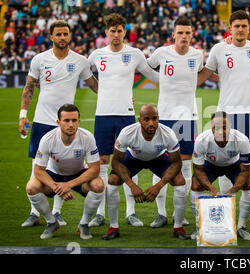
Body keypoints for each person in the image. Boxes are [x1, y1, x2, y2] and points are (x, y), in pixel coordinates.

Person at [197, 10, 250, 227]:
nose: (240, 29)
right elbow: (205, 74)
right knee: (225, 159)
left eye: (244, 26)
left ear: (249, 28)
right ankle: (227, 206)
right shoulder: (219, 49)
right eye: (237, 26)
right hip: (226, 114)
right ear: (230, 28)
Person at [19, 20, 98, 228]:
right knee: (37, 166)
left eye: (66, 34)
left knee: (64, 166)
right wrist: (22, 115)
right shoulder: (39, 59)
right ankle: (34, 212)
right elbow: (29, 87)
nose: (62, 37)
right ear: (51, 36)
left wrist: (121, 97)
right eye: (58, 34)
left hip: (66, 121)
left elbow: (94, 85)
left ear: (70, 36)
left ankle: (57, 212)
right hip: (42, 120)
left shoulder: (80, 61)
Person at [87, 13, 159, 228]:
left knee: (128, 163)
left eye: (119, 31)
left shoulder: (135, 54)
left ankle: (131, 212)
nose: (116, 34)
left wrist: (181, 76)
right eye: (112, 31)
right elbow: (84, 74)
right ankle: (100, 214)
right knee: (101, 164)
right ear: (106, 32)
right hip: (102, 115)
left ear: (124, 32)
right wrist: (101, 92)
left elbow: (153, 76)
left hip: (126, 115)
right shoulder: (97, 55)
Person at [146, 16, 204, 228]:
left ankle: (180, 212)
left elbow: (202, 73)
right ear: (173, 34)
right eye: (180, 32)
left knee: (186, 164)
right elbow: (146, 68)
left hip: (188, 116)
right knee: (160, 163)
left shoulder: (197, 55)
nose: (184, 36)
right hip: (165, 116)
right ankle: (161, 213)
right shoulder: (161, 53)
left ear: (192, 35)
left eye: (187, 33)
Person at [102, 104, 190, 240]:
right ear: (139, 120)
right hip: (134, 158)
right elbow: (116, 162)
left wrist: (159, 186)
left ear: (158, 119)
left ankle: (178, 227)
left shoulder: (168, 133)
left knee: (180, 182)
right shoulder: (127, 132)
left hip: (158, 158)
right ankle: (113, 227)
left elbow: (177, 162)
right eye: (147, 119)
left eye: (155, 119)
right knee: (112, 181)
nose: (151, 123)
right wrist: (132, 185)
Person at [25, 104, 104, 240]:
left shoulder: (87, 137)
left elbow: (95, 169)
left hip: (78, 174)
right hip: (54, 175)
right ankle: (51, 222)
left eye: (74, 120)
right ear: (58, 122)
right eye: (66, 120)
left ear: (79, 121)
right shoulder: (47, 139)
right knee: (31, 187)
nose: (71, 124)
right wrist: (57, 187)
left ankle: (84, 223)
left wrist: (69, 185)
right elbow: (38, 171)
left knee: (98, 185)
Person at [189, 111, 250, 240]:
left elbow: (246, 171)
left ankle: (241, 226)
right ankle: (200, 227)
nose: (220, 131)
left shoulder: (241, 140)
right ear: (211, 128)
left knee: (249, 183)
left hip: (233, 164)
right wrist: (210, 187)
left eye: (224, 127)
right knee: (196, 184)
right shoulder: (202, 140)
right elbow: (197, 169)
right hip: (211, 165)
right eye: (216, 127)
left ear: (230, 127)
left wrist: (233, 190)